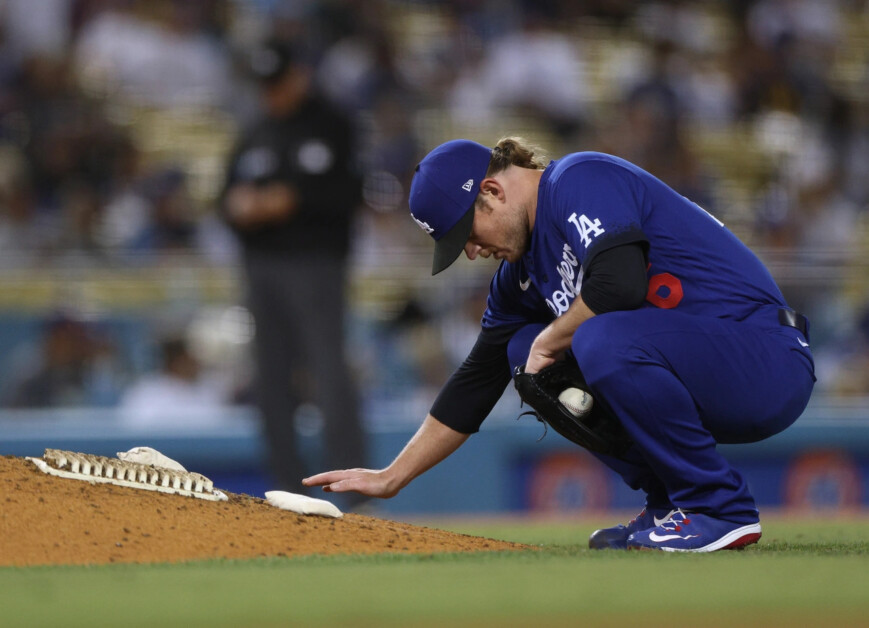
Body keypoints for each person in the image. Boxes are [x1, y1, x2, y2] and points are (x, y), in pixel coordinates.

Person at [304, 136, 816, 552]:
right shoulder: (519, 273)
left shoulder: (578, 178)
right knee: (519, 353)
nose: (473, 251)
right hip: (704, 364)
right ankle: (671, 502)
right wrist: (393, 476)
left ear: (493, 190)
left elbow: (619, 284)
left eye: (468, 232)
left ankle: (719, 507)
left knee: (593, 336)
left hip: (766, 356)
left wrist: (552, 337)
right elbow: (477, 381)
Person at [221, 39, 366, 496]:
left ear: (298, 75)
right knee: (269, 380)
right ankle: (286, 486)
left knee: (328, 374)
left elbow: (349, 194)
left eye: (278, 83)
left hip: (316, 264)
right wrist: (245, 206)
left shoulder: (333, 124)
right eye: (265, 85)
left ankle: (350, 486)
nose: (272, 94)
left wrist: (291, 201)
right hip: (261, 266)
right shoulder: (254, 131)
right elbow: (223, 201)